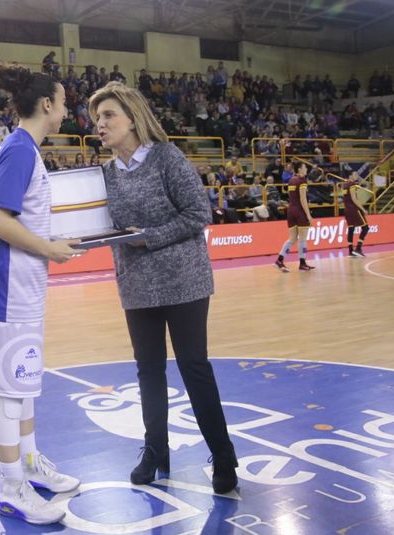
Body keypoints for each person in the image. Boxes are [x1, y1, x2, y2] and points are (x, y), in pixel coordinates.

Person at [89, 81, 239, 494]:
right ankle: (156, 450)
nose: (100, 124)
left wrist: (149, 237)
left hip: (184, 280)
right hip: (136, 284)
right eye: (97, 118)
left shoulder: (167, 157)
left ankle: (223, 454)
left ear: (133, 118)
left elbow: (198, 213)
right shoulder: (103, 175)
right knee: (148, 371)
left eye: (108, 115)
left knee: (194, 367)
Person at [0, 64, 81, 526]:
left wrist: (52, 242)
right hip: (5, 290)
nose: (67, 110)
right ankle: (12, 488)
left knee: (24, 385)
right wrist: (49, 249)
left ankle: (31, 465)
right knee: (9, 393)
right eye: (64, 101)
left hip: (22, 289)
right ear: (47, 104)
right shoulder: (18, 150)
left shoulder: (24, 149)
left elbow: (23, 220)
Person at [275, 161, 315, 272]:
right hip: (300, 211)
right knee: (302, 239)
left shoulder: (291, 180)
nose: (306, 169)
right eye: (305, 167)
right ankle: (302, 263)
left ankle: (279, 260)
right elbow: (303, 199)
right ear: (299, 169)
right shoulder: (302, 180)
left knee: (292, 239)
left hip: (291, 210)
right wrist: (308, 215)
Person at [342, 172, 372, 257]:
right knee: (365, 228)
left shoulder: (344, 185)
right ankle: (358, 248)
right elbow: (354, 199)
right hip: (354, 210)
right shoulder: (352, 185)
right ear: (350, 176)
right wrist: (363, 209)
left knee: (351, 229)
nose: (357, 176)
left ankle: (351, 250)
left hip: (347, 210)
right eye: (355, 175)